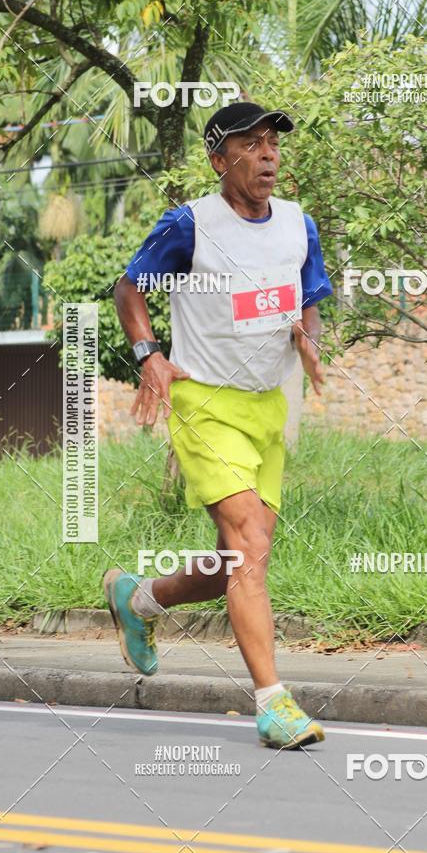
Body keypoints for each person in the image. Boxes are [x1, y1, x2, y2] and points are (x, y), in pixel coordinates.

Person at [103, 101, 333, 750]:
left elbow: (310, 297)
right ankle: (274, 703)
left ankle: (138, 598)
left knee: (242, 555)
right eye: (251, 145)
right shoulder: (189, 225)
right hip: (203, 403)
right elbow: (129, 289)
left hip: (267, 408)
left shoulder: (297, 226)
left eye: (273, 145)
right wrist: (150, 356)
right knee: (248, 548)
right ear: (218, 159)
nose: (268, 156)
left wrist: (309, 339)